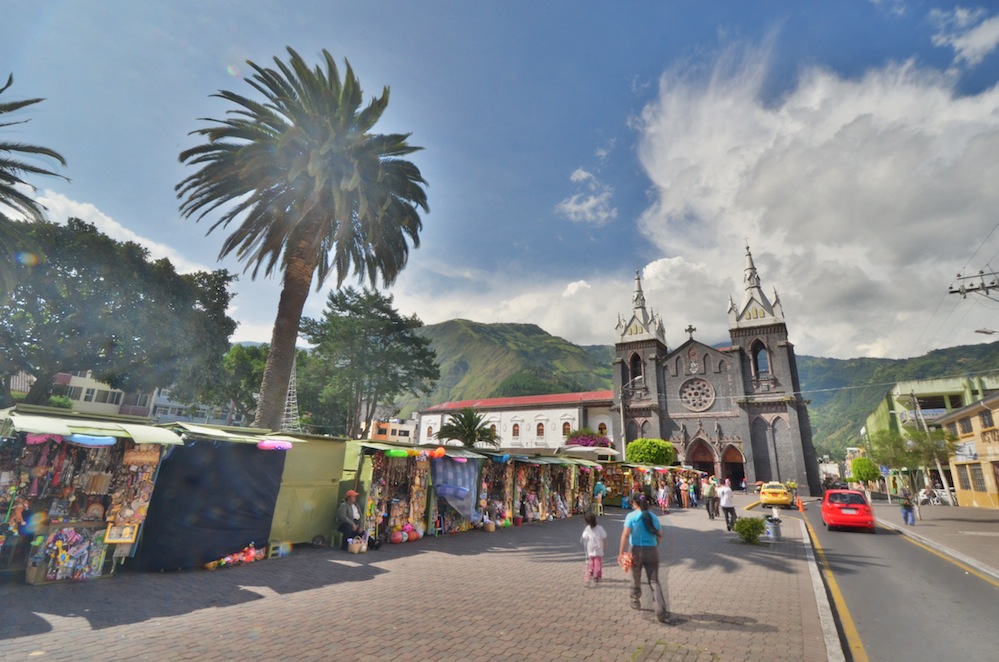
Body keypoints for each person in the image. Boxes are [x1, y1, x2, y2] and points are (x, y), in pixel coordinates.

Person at [618, 493, 669, 623]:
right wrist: (655, 545)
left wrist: (621, 553)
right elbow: (660, 535)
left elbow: (625, 535)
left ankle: (635, 599)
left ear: (634, 503)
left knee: (635, 577)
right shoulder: (653, 517)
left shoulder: (631, 516)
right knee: (654, 581)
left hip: (635, 550)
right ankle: (660, 609)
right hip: (651, 551)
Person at [580, 512, 607, 584]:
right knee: (598, 562)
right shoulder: (600, 528)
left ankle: (590, 571)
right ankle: (597, 575)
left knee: (591, 560)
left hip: (590, 548)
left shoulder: (587, 529)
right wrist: (605, 545)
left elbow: (584, 536)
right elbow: (604, 537)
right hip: (599, 547)